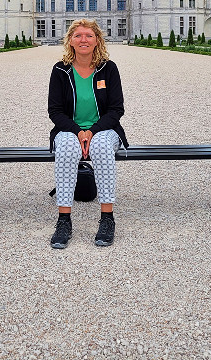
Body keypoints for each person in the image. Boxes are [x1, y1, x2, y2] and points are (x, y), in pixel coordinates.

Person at [48, 18, 128, 249]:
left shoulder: (108, 68)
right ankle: (64, 220)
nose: (83, 40)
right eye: (78, 35)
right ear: (70, 41)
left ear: (97, 40)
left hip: (105, 129)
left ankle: (107, 219)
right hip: (69, 130)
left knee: (101, 147)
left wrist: (91, 131)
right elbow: (55, 111)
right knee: (65, 147)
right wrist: (78, 131)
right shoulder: (60, 70)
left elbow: (116, 110)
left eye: (89, 35)